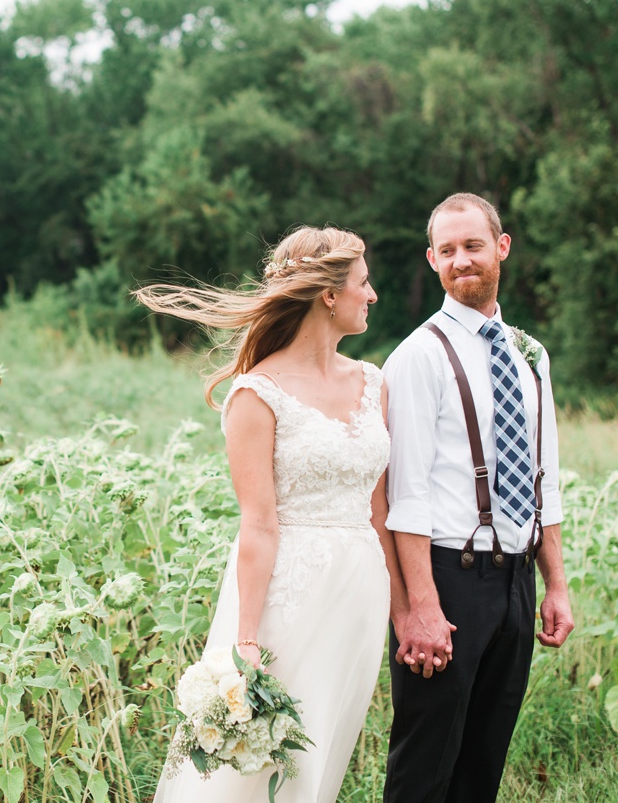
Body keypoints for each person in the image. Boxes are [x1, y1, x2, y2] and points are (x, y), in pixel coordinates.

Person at [139, 226, 405, 803]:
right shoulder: (256, 395)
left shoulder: (372, 382)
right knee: (257, 761)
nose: (374, 294)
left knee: (321, 753)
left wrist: (404, 607)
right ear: (329, 295)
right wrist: (247, 638)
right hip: (289, 591)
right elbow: (258, 523)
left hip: (359, 592)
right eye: (365, 282)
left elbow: (379, 508)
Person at [383, 193, 575, 802]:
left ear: (502, 247)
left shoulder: (531, 354)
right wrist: (419, 607)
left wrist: (556, 584)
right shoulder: (417, 356)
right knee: (425, 764)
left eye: (472, 245)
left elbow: (546, 474)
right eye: (447, 250)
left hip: (517, 583)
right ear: (433, 259)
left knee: (483, 764)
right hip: (447, 578)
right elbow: (404, 493)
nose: (461, 260)